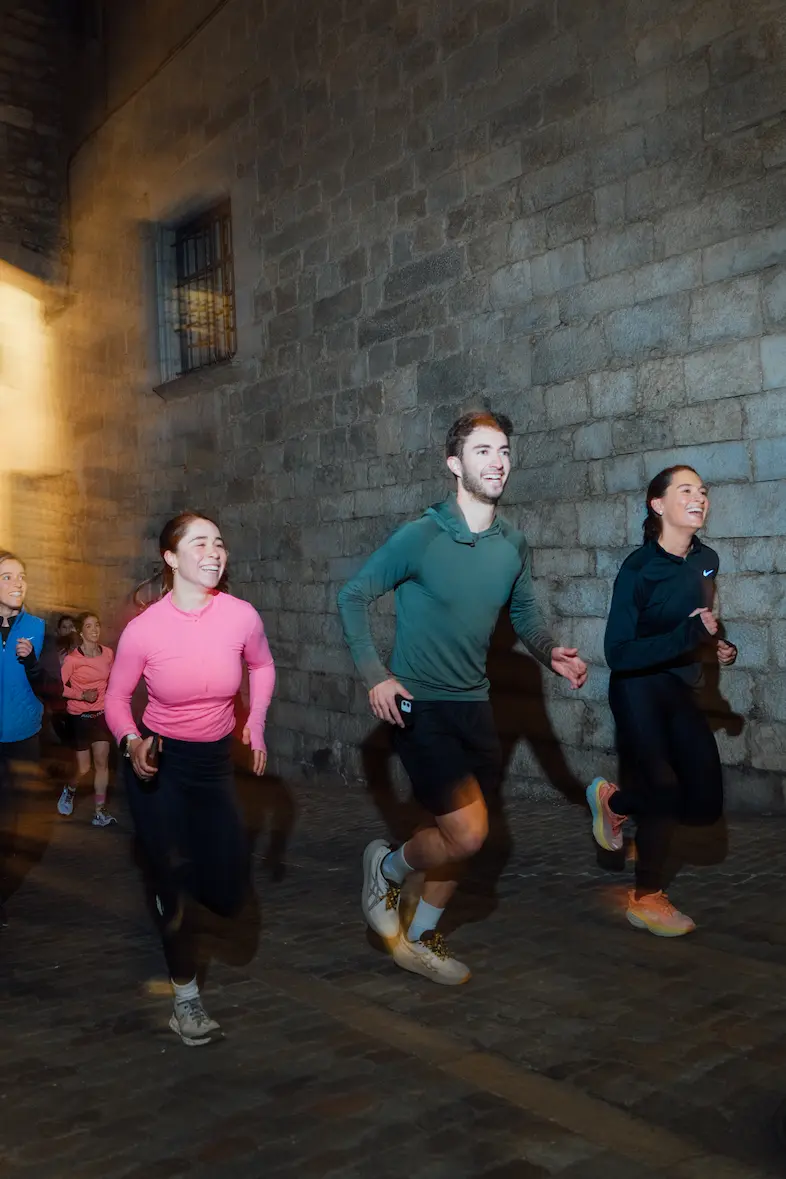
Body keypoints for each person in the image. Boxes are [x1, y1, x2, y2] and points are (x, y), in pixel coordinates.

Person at [338, 410, 588, 986]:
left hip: (476, 707)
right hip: (420, 706)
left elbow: (522, 610)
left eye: (503, 450)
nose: (497, 461)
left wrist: (549, 649)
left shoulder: (512, 544)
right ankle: (389, 866)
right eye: (482, 451)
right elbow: (352, 597)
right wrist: (377, 675)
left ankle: (423, 935)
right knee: (470, 831)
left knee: (459, 837)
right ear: (455, 465)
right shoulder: (420, 536)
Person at [105, 512, 275, 1046]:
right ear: (172, 558)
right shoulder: (144, 629)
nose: (214, 551)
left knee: (227, 893)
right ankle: (185, 999)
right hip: (159, 765)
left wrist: (257, 725)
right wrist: (131, 743)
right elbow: (115, 699)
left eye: (219, 542)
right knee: (173, 880)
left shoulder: (241, 616)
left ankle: (174, 881)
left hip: (213, 763)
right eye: (199, 542)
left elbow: (262, 666)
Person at [586, 466, 737, 937]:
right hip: (636, 687)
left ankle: (616, 801)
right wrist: (690, 634)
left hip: (680, 688)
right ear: (658, 505)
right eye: (686, 490)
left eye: (703, 492)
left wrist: (718, 645)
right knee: (665, 788)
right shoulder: (637, 570)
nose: (700, 498)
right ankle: (647, 898)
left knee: (706, 804)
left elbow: (700, 620)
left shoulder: (706, 559)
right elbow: (619, 652)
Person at [0, 552, 46, 926]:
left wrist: (31, 662)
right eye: (7, 577)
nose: (18, 583)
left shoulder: (36, 626)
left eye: (21, 575)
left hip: (23, 736)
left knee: (18, 819)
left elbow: (47, 684)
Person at [58, 613, 116, 827]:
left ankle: (99, 812)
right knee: (84, 768)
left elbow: (113, 680)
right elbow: (59, 688)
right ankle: (70, 790)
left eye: (97, 625)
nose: (94, 629)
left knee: (102, 764)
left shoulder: (108, 654)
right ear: (81, 632)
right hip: (79, 716)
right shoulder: (72, 660)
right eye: (89, 626)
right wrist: (81, 695)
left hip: (100, 715)